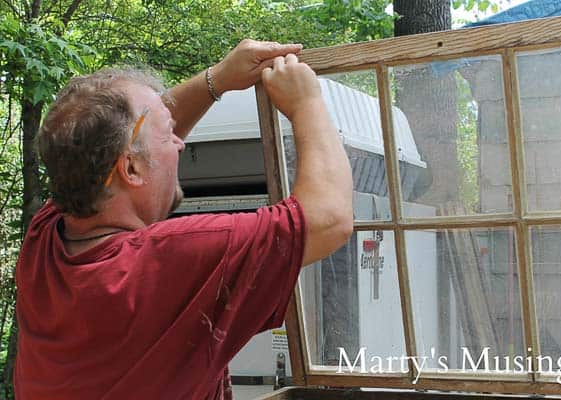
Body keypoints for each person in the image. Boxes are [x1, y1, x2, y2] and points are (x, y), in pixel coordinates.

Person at [14, 39, 353, 399]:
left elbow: (114, 137)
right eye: (167, 136)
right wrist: (307, 103)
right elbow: (328, 218)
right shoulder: (169, 260)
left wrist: (218, 79)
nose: (180, 143)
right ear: (130, 167)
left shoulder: (44, 239)